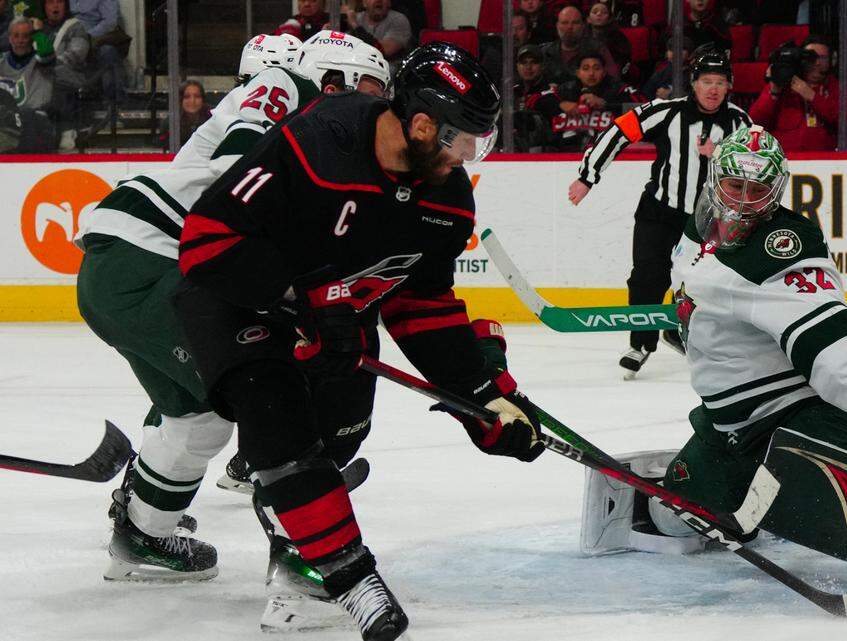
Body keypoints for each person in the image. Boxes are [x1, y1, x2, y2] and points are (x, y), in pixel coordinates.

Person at [171, 42, 543, 641]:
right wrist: (310, 299)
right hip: (235, 299)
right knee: (276, 414)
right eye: (462, 141)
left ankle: (299, 539)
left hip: (337, 318)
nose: (467, 158)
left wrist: (484, 398)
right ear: (422, 124)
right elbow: (207, 243)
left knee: (343, 426)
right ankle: (347, 578)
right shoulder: (319, 141)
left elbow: (421, 304)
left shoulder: (446, 198)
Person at [580, 124, 847, 607]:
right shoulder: (694, 230)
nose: (742, 202)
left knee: (832, 510)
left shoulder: (782, 247)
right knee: (675, 514)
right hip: (733, 427)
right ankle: (748, 503)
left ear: (775, 191)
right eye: (734, 186)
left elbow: (831, 343)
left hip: (804, 417)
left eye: (757, 190)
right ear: (714, 180)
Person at [74, 32, 387, 601]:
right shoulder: (284, 87)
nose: (375, 104)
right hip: (153, 258)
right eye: (368, 87)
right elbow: (239, 177)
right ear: (333, 76)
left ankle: (143, 535)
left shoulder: (323, 134)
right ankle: (306, 557)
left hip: (130, 270)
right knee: (278, 388)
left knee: (199, 415)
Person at [567, 50, 750, 376]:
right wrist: (587, 177)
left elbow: (755, 166)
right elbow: (619, 131)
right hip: (658, 210)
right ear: (693, 83)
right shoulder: (666, 111)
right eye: (706, 81)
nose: (713, 89)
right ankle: (640, 344)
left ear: (729, 86)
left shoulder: (740, 123)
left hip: (706, 219)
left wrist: (720, 154)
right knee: (647, 277)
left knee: (701, 283)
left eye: (720, 82)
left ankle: (678, 330)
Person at [749, 35, 847, 152]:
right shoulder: (783, 85)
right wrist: (774, 91)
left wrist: (813, 97)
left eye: (823, 57)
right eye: (811, 57)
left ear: (832, 60)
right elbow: (755, 122)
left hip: (825, 162)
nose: (817, 63)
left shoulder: (838, 88)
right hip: (783, 159)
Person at [531, 49, 645, 151]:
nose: (591, 73)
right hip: (562, 155)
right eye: (586, 68)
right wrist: (560, 104)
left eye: (596, 68)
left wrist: (607, 105)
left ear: (604, 72)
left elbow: (643, 106)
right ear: (578, 73)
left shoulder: (617, 89)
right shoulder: (565, 90)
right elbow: (532, 100)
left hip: (608, 154)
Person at [35, 0, 87, 151]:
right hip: (41, 76)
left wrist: (47, 64)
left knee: (52, 77)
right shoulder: (38, 27)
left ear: (66, 6)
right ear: (44, 6)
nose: (55, 6)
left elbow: (76, 55)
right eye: (50, 2)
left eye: (59, 2)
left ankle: (67, 130)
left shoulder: (76, 26)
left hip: (71, 76)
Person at [0, 16, 55, 152]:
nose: (20, 40)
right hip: (7, 124)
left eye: (25, 36)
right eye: (16, 36)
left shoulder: (40, 61)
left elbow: (47, 53)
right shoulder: (1, 61)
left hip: (37, 123)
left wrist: (38, 32)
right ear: (10, 38)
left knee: (26, 114)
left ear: (31, 38)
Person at [68, 0, 127, 108]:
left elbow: (110, 22)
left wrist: (87, 36)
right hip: (70, 36)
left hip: (96, 37)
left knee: (108, 52)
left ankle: (114, 104)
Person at [539, 5, 618, 83]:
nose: (570, 27)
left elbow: (614, 81)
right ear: (557, 26)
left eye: (575, 23)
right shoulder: (545, 52)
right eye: (565, 23)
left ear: (583, 26)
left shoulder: (598, 49)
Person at [342, 0, 413, 60]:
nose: (379, 0)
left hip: (387, 66)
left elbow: (381, 51)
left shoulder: (398, 19)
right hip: (359, 63)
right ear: (364, 3)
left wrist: (355, 25)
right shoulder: (357, 17)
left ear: (389, 3)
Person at [158, 79, 209, 151]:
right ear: (180, 99)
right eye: (187, 97)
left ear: (203, 99)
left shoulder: (212, 120)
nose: (192, 101)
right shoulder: (169, 123)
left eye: (197, 96)